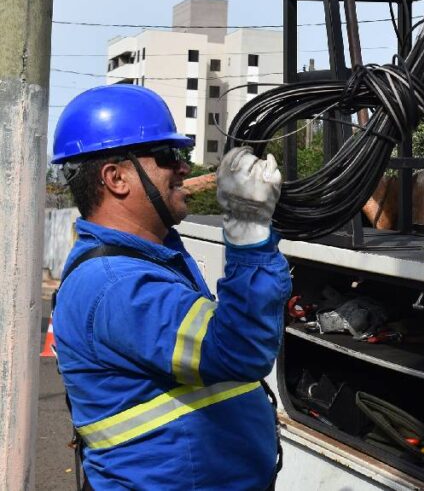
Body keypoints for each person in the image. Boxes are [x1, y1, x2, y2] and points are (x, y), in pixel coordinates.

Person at [50, 84, 291, 490]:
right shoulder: (116, 287)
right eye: (167, 157)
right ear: (116, 178)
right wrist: (248, 231)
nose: (183, 168)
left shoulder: (147, 260)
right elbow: (238, 350)